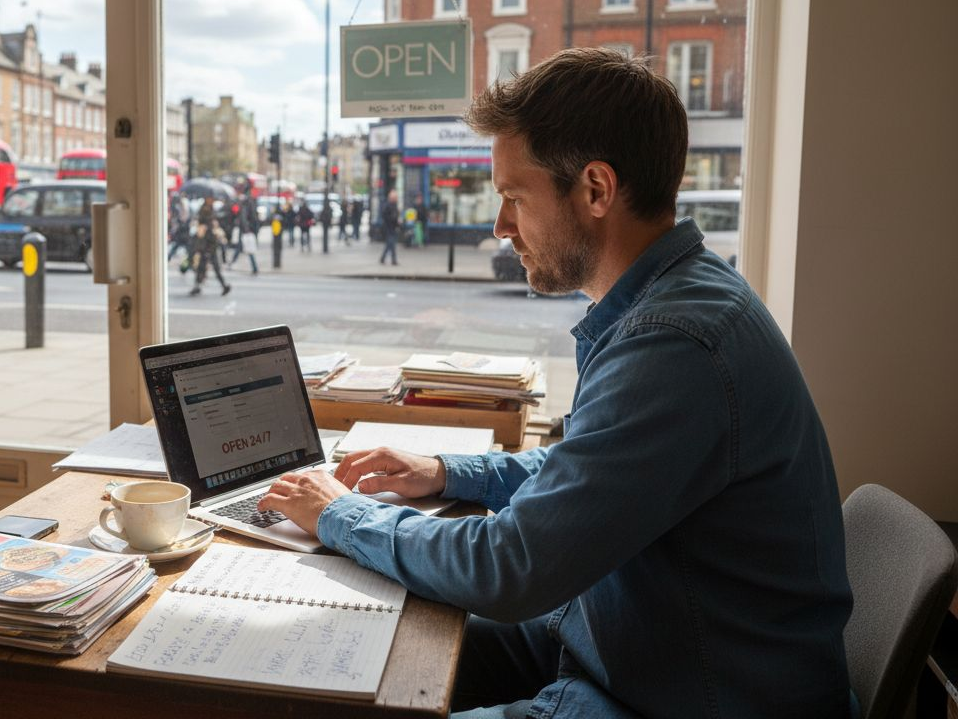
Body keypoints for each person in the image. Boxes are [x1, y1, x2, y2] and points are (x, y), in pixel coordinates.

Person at [257, 48, 853, 718]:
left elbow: (511, 569)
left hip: (684, 694)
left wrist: (341, 514)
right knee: (367, 644)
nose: (500, 226)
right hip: (631, 646)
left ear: (595, 189)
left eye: (514, 196)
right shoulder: (679, 299)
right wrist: (447, 472)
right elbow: (591, 466)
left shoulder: (675, 343)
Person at [189, 200, 230, 296]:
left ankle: (198, 286)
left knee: (203, 267)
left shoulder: (206, 219)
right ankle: (222, 285)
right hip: (209, 246)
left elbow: (202, 235)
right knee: (207, 267)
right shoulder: (209, 219)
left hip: (207, 246)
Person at [378, 189, 399, 265]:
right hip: (388, 228)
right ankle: (393, 260)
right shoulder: (387, 206)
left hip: (392, 228)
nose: (396, 199)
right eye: (395, 197)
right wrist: (394, 219)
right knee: (391, 244)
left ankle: (383, 258)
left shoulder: (394, 205)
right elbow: (387, 217)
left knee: (389, 244)